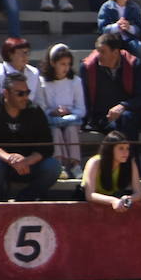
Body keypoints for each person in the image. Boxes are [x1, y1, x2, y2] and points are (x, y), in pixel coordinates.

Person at [79, 132, 139, 280]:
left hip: (114, 211)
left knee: (113, 246)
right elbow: (89, 194)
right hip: (89, 212)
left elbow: (139, 192)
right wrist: (113, 201)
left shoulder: (129, 162)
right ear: (109, 149)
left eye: (127, 148)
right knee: (91, 246)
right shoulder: (95, 162)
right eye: (121, 148)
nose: (125, 152)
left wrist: (128, 199)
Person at [0, 74, 59, 202]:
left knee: (53, 167)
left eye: (27, 92)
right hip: (2, 164)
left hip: (29, 165)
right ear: (6, 93)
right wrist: (10, 159)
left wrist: (26, 161)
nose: (25, 97)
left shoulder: (35, 111)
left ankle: (25, 199)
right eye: (20, 94)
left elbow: (46, 146)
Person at [80, 34, 141, 141]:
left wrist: (123, 106)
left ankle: (129, 156)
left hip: (129, 115)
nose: (98, 55)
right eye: (97, 50)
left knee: (127, 119)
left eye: (102, 52)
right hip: (102, 118)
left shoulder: (134, 65)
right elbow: (85, 100)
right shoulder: (88, 67)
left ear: (116, 52)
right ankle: (129, 157)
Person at [41, 44, 86, 179]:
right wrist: (53, 112)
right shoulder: (42, 82)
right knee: (55, 130)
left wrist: (68, 111)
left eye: (68, 64)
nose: (66, 68)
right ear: (52, 63)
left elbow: (81, 109)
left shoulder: (76, 81)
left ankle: (75, 164)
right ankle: (59, 165)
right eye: (62, 64)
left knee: (71, 129)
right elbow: (42, 108)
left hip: (71, 120)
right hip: (52, 121)